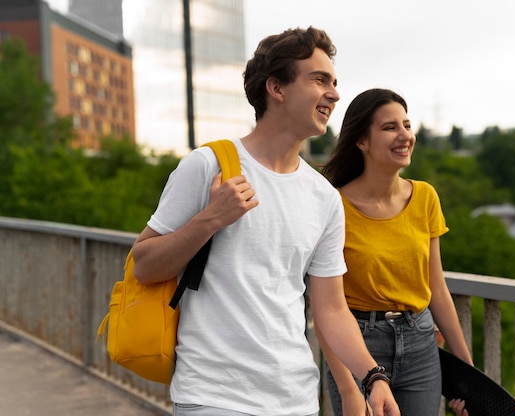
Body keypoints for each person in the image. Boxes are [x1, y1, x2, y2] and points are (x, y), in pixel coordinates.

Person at [131, 28, 400, 416]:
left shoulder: (323, 197)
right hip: (214, 397)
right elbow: (144, 263)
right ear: (277, 88)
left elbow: (332, 309)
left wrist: (372, 378)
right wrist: (209, 219)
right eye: (319, 80)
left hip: (295, 400)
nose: (335, 94)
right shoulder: (208, 165)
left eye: (335, 82)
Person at [319, 88, 473, 416]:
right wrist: (348, 389)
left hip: (420, 343)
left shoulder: (425, 197)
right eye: (390, 128)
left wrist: (468, 373)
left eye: (406, 125)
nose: (404, 135)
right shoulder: (333, 206)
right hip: (359, 345)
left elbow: (436, 289)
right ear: (361, 141)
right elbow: (325, 308)